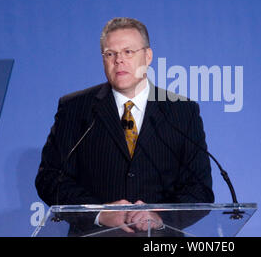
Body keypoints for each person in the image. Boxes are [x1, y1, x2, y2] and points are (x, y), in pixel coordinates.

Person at [35, 17, 214, 234]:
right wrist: (99, 213)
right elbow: (51, 178)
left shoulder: (182, 112)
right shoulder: (75, 109)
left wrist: (159, 215)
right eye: (110, 54)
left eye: (128, 52)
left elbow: (199, 189)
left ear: (148, 56)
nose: (119, 60)